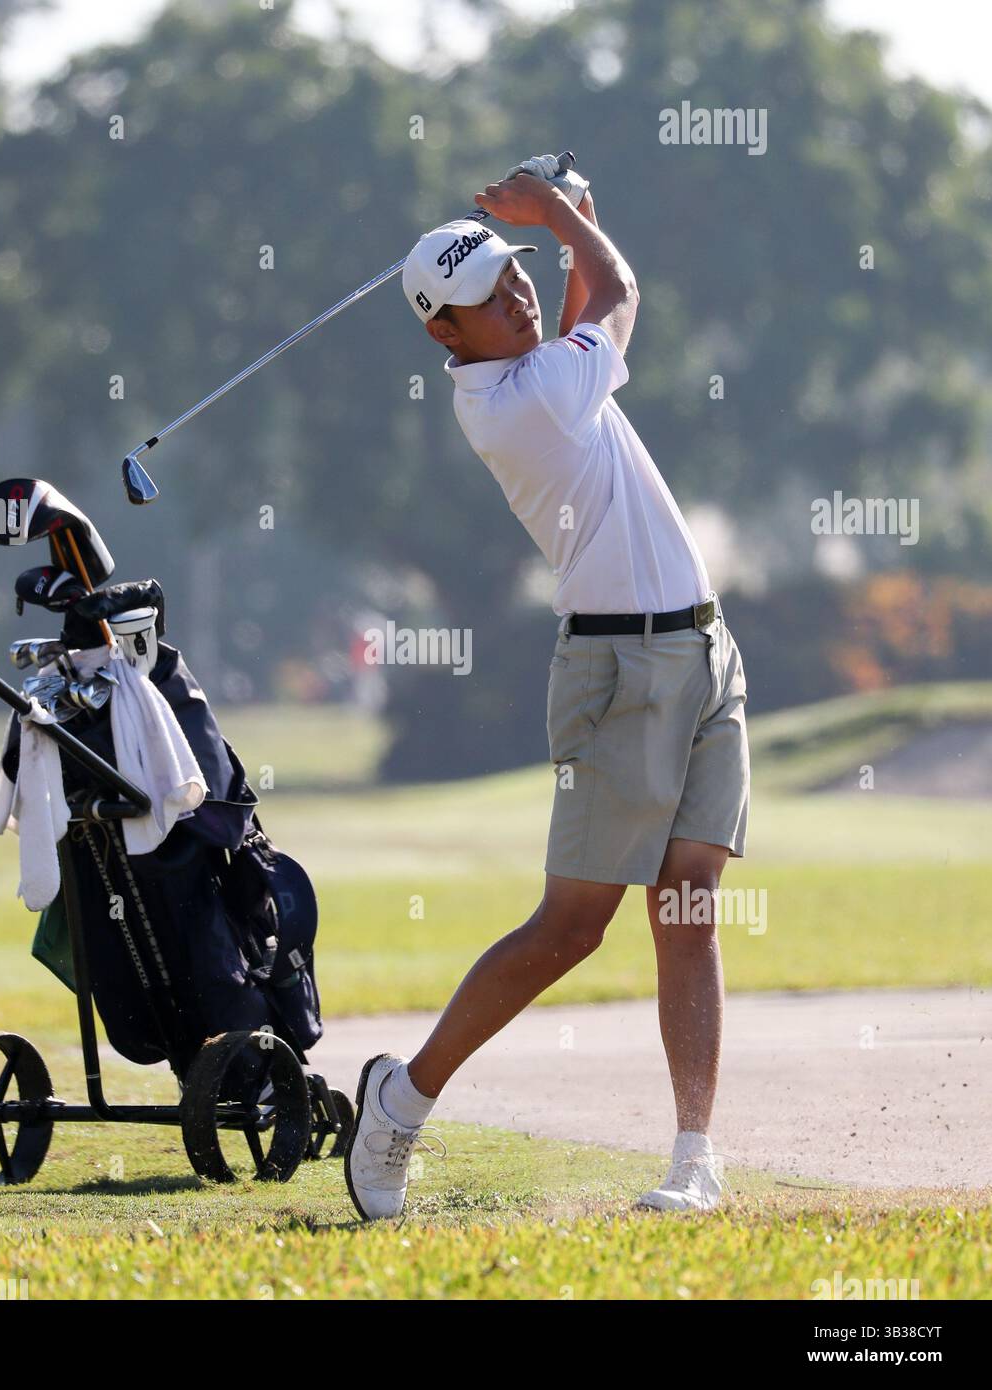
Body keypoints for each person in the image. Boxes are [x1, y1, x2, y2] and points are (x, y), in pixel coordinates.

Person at [344, 154, 750, 1219]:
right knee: (572, 926)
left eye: (517, 272)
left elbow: (585, 311)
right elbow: (618, 298)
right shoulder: (512, 404)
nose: (517, 292)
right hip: (617, 669)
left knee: (690, 904)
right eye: (490, 294)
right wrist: (566, 216)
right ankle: (402, 1098)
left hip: (704, 650)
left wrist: (567, 226)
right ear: (446, 332)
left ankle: (694, 1154)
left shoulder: (539, 369)